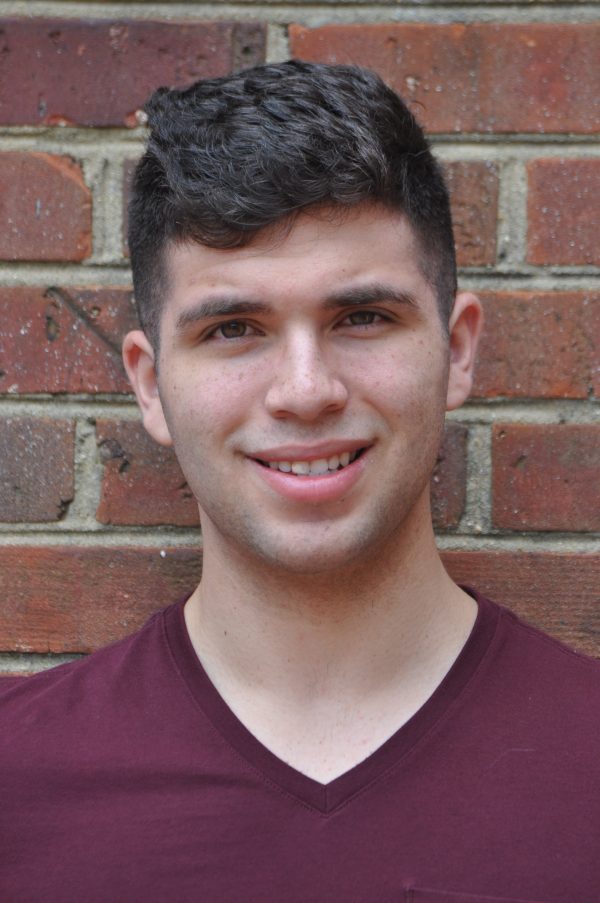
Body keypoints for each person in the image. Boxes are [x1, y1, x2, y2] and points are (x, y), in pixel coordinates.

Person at [2, 60, 600, 902]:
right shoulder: (18, 782)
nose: (306, 390)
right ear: (150, 384)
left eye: (363, 317)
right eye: (233, 328)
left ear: (457, 350)